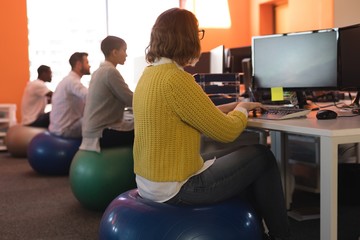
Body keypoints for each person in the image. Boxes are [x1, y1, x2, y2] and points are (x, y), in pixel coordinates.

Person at [133, 8, 292, 240]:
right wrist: (241, 109)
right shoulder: (177, 79)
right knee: (261, 156)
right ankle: (282, 235)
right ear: (187, 37)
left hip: (152, 181)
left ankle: (259, 229)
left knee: (240, 155)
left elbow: (187, 115)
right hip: (176, 187)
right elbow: (226, 132)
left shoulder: (149, 75)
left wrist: (230, 107)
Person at [80, 36, 133, 152]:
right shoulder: (110, 72)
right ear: (114, 52)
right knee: (146, 129)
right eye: (124, 50)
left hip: (91, 133)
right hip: (101, 134)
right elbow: (131, 100)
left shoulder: (98, 71)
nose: (126, 55)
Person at [49, 52, 90, 138]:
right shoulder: (72, 81)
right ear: (79, 64)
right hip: (66, 130)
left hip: (58, 128)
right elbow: (91, 97)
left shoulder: (69, 80)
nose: (89, 65)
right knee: (100, 119)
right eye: (87, 62)